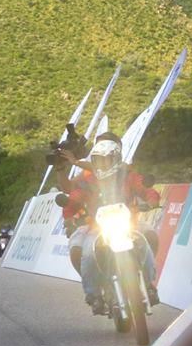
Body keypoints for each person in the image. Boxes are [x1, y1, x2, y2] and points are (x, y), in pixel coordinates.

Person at [55, 133, 160, 315]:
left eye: (107, 158)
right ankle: (93, 293)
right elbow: (73, 199)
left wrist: (151, 201)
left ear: (117, 155)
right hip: (98, 229)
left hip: (130, 224)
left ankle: (149, 283)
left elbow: (146, 190)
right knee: (88, 253)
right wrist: (69, 217)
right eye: (99, 159)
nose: (103, 163)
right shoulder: (87, 180)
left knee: (148, 236)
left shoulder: (128, 174)